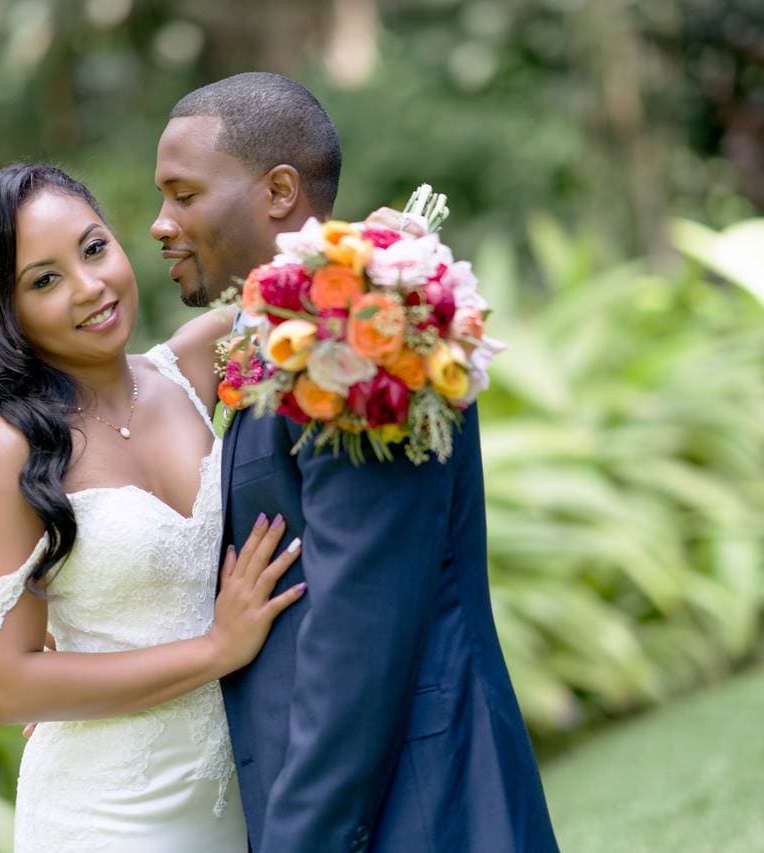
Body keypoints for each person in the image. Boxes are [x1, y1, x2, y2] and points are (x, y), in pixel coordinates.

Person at [150, 72, 559, 851]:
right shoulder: (270, 333)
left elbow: (357, 635)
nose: (161, 223)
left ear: (277, 190)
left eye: (184, 194)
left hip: (422, 799)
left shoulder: (361, 332)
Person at [0, 163, 307, 852]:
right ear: (2, 310)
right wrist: (215, 649)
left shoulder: (203, 362)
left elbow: (323, 287)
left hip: (240, 795)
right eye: (44, 280)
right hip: (105, 815)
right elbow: (8, 687)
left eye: (94, 247)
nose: (90, 286)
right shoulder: (5, 450)